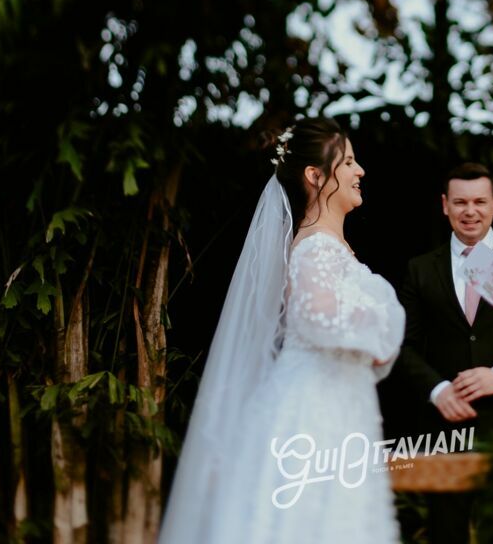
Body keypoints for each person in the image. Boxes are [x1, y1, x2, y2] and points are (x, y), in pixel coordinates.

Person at [159, 118, 406, 544]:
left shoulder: (334, 249)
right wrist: (380, 321)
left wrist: (376, 337)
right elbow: (317, 317)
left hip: (343, 408)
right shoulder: (314, 248)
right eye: (348, 161)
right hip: (311, 415)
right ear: (315, 175)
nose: (359, 170)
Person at [394, 161, 493, 544]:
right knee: (446, 531)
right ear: (445, 205)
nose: (471, 211)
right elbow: (403, 344)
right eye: (461, 202)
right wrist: (438, 391)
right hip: (445, 424)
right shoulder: (420, 269)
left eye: (480, 202)